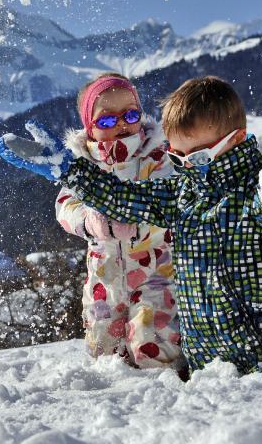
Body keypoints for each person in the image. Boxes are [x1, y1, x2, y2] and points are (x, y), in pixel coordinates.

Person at [0, 75, 262, 392]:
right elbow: (123, 198)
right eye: (178, 158)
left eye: (198, 158)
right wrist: (69, 169)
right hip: (204, 367)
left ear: (235, 140)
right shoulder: (183, 192)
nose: (188, 166)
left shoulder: (253, 195)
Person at [55, 73, 184, 370]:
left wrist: (139, 211)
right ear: (89, 127)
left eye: (130, 114)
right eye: (107, 121)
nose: (122, 124)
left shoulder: (158, 157)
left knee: (153, 343)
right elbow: (65, 206)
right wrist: (89, 222)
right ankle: (115, 406)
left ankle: (168, 393)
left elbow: (173, 194)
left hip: (156, 273)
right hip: (104, 279)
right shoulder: (82, 165)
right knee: (105, 353)